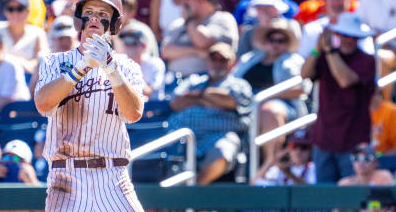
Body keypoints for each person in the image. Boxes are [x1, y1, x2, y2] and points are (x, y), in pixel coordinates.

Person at [33, 0, 184, 212]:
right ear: (78, 20)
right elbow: (43, 103)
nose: (95, 20)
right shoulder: (56, 62)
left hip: (112, 178)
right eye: (89, 14)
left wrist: (109, 67)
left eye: (103, 15)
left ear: (114, 24)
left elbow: (133, 112)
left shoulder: (127, 66)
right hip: (65, 177)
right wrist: (81, 67)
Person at [301, 12, 376, 183]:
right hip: (324, 138)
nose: (349, 40)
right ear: (338, 35)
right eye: (345, 35)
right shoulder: (327, 55)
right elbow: (304, 74)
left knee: (349, 196)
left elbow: (345, 80)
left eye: (354, 36)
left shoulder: (367, 60)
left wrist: (330, 50)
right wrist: (317, 49)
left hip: (353, 140)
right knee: (324, 196)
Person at [168, 42, 252, 184]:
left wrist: (197, 96)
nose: (217, 63)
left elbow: (230, 101)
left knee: (223, 150)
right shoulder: (194, 81)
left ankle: (196, 190)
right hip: (183, 136)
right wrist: (208, 99)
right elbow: (176, 103)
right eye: (214, 59)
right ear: (208, 61)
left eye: (223, 60)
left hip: (219, 135)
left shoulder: (238, 84)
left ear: (232, 63)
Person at [233, 17, 309, 161]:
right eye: (272, 39)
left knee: (269, 110)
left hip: (284, 107)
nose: (275, 44)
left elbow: (300, 89)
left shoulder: (294, 61)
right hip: (245, 104)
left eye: (281, 41)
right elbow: (233, 80)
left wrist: (263, 97)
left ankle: (269, 166)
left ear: (287, 43)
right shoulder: (249, 58)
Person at [161, 0, 239, 76]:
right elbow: (166, 51)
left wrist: (190, 21)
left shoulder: (223, 18)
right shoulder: (179, 23)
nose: (184, 2)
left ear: (204, 0)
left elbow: (203, 42)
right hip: (174, 80)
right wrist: (197, 52)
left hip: (208, 80)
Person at [297, 0, 374, 59]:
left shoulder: (360, 29)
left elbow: (367, 59)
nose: (336, 2)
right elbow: (303, 59)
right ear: (326, 0)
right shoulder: (312, 29)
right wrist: (317, 48)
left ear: (350, 1)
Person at [0, 0, 50, 74]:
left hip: (28, 79)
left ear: (28, 11)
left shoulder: (38, 33)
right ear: (5, 12)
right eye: (11, 9)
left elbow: (44, 60)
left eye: (20, 9)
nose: (15, 13)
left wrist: (24, 65)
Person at [118, 23, 166, 100]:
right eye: (126, 42)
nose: (128, 47)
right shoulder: (120, 63)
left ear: (144, 46)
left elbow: (149, 92)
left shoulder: (155, 63)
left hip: (153, 108)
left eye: (133, 43)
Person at [371, 88, 396, 155]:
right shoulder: (356, 113)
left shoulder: (394, 112)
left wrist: (378, 157)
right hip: (359, 160)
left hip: (386, 162)